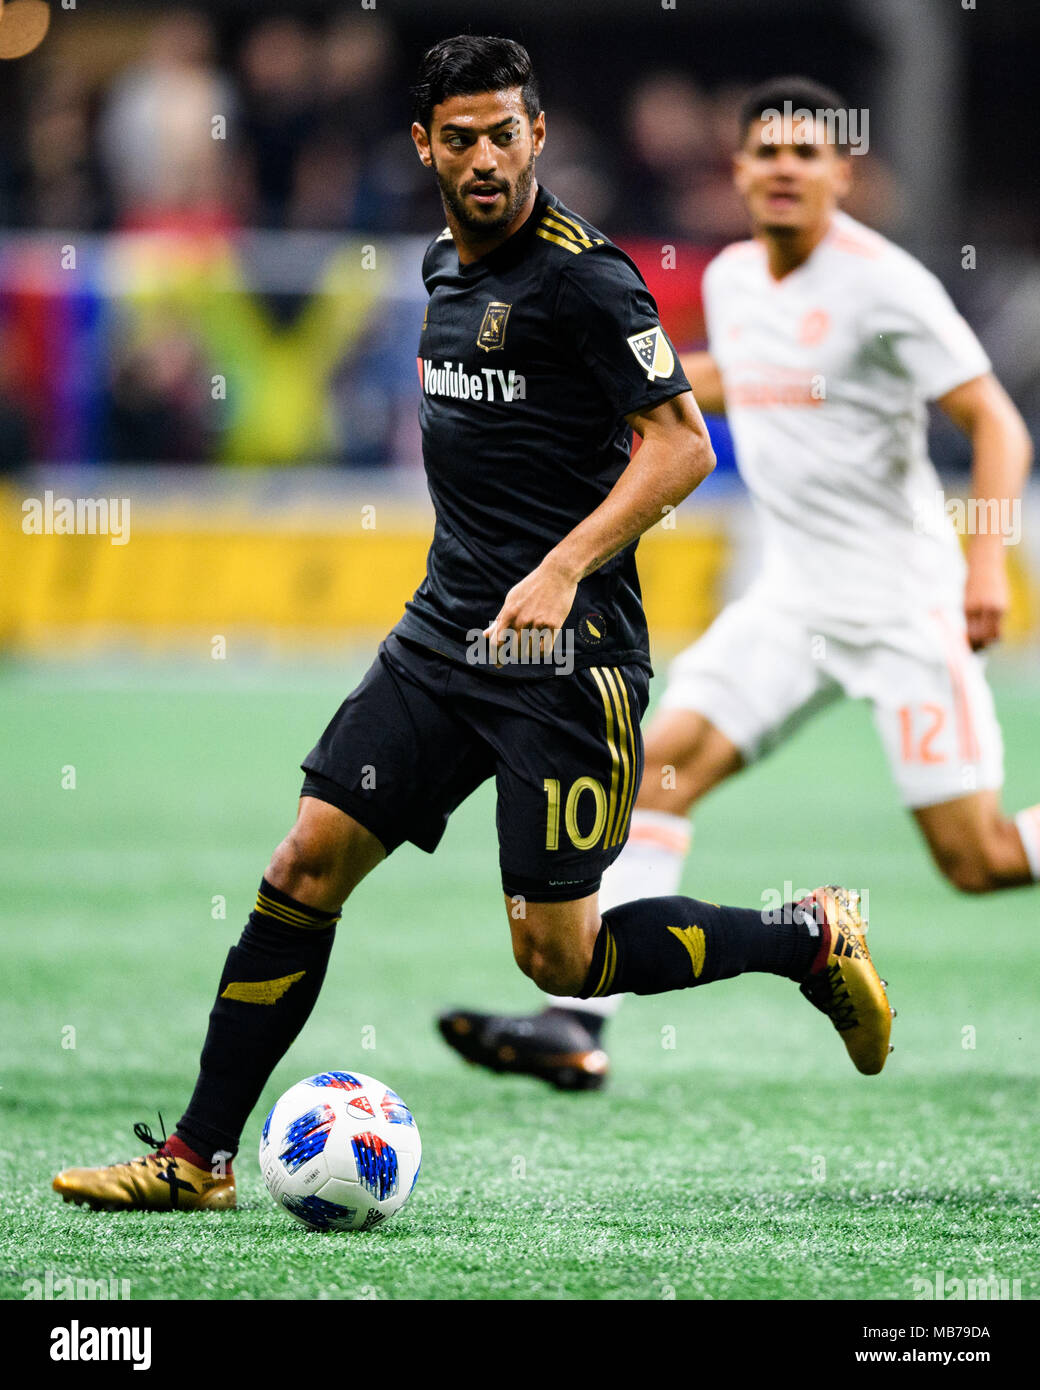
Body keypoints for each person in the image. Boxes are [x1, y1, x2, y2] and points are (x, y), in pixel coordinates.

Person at [54, 48, 892, 1213]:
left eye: (505, 134)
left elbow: (681, 446)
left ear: (536, 134)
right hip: (444, 637)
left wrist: (556, 569)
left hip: (566, 657)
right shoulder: (441, 267)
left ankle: (803, 938)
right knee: (303, 863)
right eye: (462, 138)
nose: (486, 158)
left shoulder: (587, 281)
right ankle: (195, 1159)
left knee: (559, 956)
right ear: (424, 147)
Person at [438, 74, 1036, 1093]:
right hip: (790, 599)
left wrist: (985, 561)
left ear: (840, 172)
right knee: (660, 770)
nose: (784, 170)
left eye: (806, 154)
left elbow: (994, 422)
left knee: (973, 859)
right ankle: (575, 1024)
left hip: (902, 603)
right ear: (740, 171)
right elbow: (740, 375)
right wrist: (609, 387)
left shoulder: (884, 285)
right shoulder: (732, 281)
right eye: (766, 153)